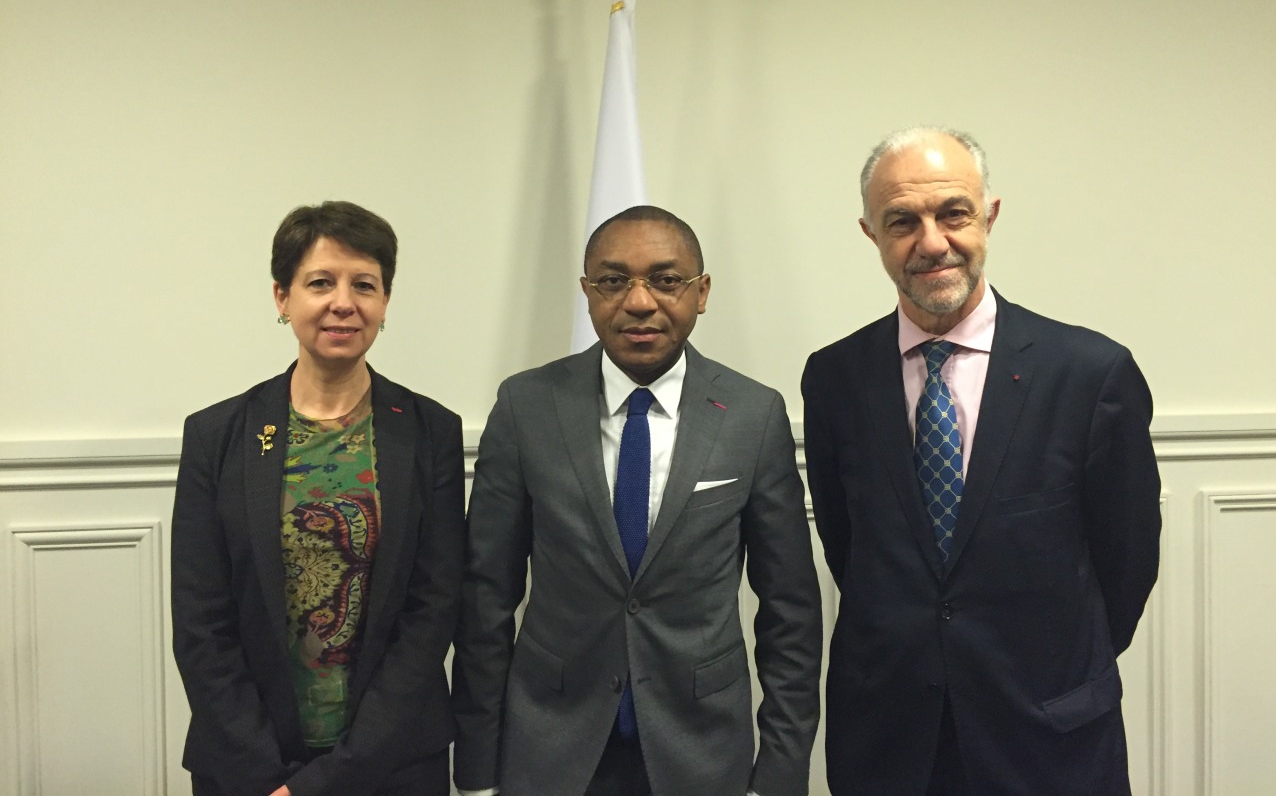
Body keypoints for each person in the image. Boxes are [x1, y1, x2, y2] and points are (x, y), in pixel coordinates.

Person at [802, 127, 1161, 795]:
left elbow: (1128, 561)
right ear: (870, 234)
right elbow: (849, 550)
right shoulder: (834, 379)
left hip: (1049, 740)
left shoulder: (1090, 375)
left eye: (953, 214)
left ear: (989, 216)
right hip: (889, 742)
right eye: (902, 221)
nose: (931, 242)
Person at [452, 205, 822, 796]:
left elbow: (792, 614)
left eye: (666, 280)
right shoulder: (527, 407)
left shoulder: (754, 416)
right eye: (613, 280)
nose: (640, 301)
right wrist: (475, 773)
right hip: (550, 748)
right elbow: (485, 600)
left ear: (701, 293)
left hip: (701, 751)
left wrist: (778, 776)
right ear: (587, 292)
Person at [171, 201, 464, 796]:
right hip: (248, 766)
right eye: (320, 283)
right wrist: (266, 778)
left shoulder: (431, 431)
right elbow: (201, 623)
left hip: (390, 763)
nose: (344, 303)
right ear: (282, 297)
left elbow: (432, 610)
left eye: (365, 285)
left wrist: (334, 778)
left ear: (385, 302)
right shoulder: (216, 435)